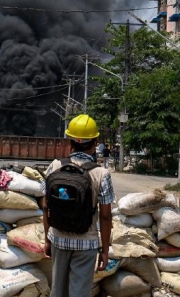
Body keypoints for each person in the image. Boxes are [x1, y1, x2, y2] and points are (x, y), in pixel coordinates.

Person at [43, 114, 113, 297]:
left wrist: (47, 238)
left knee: (57, 291)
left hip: (58, 238)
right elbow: (105, 216)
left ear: (70, 140)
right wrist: (105, 250)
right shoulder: (101, 174)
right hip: (86, 242)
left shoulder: (55, 166)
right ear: (95, 142)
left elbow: (46, 206)